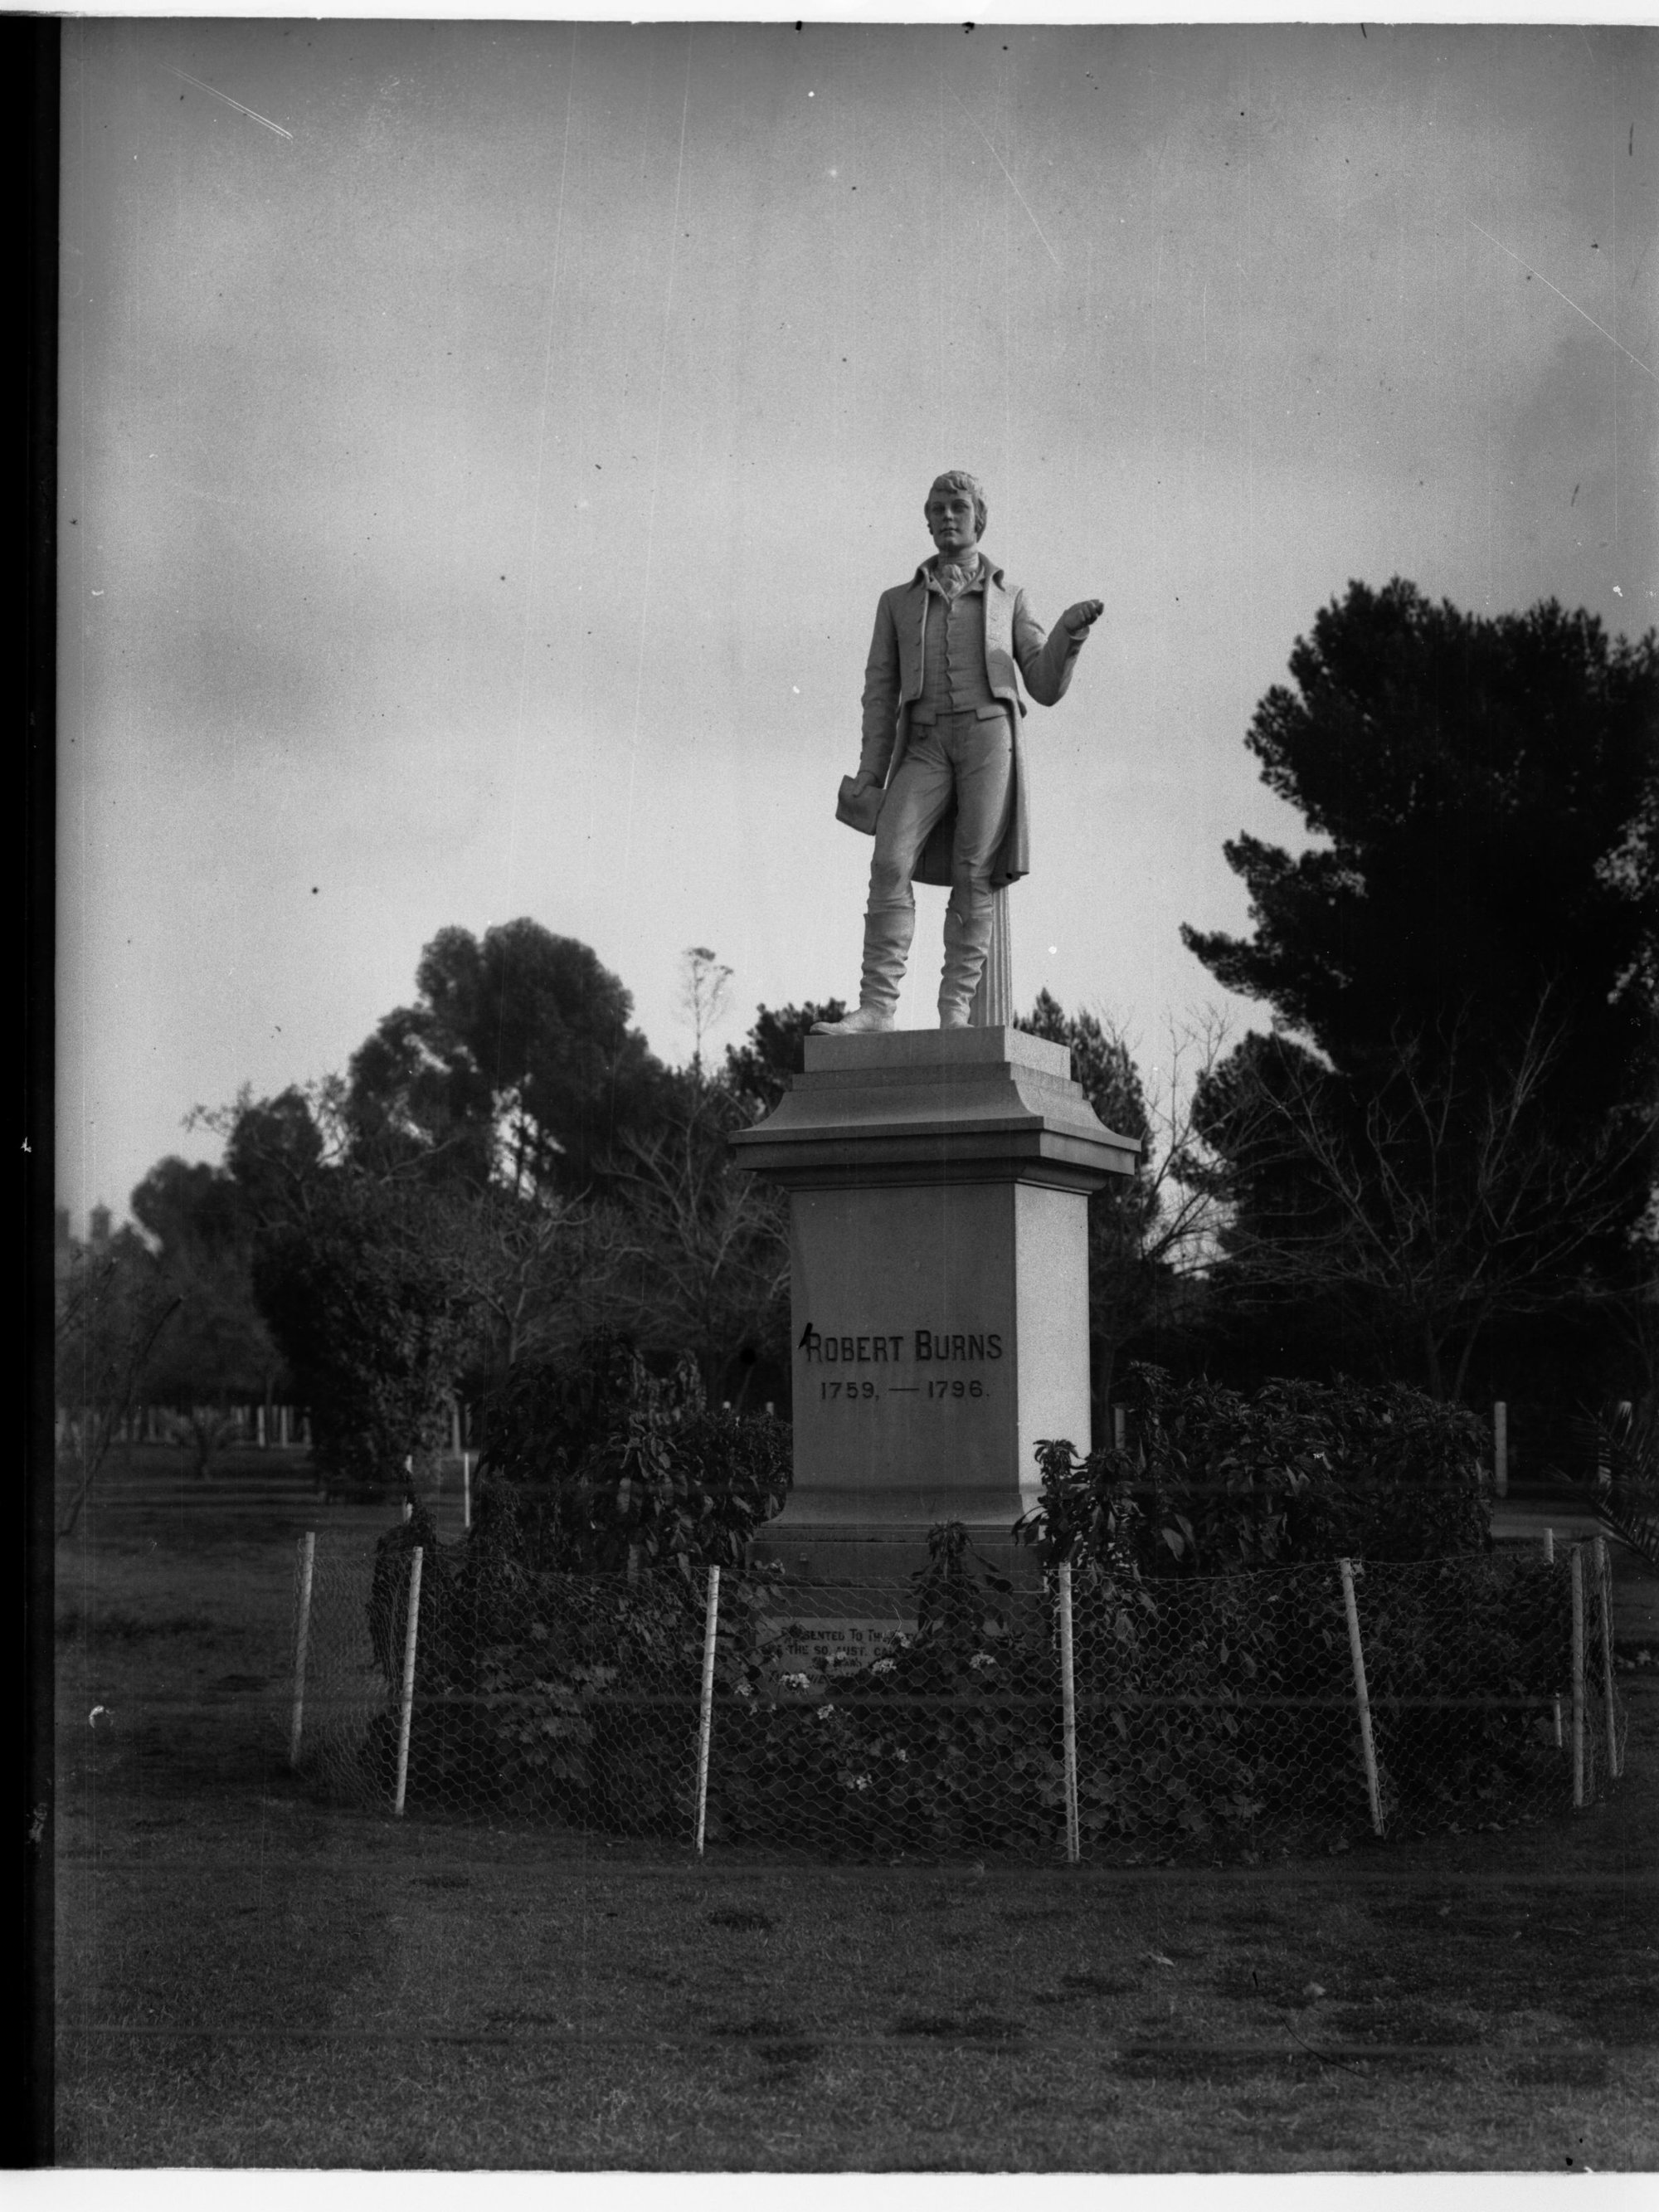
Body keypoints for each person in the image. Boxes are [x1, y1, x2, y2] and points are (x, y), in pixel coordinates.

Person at [811, 470, 1102, 1035]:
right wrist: (872, 772)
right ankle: (877, 1008)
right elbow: (880, 693)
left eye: (959, 507)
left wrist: (1069, 636)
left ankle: (956, 1013)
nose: (948, 516)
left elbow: (1042, 685)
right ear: (927, 518)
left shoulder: (1011, 598)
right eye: (938, 508)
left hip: (988, 735)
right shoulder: (896, 603)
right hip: (923, 744)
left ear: (979, 518)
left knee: (976, 872)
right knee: (889, 861)